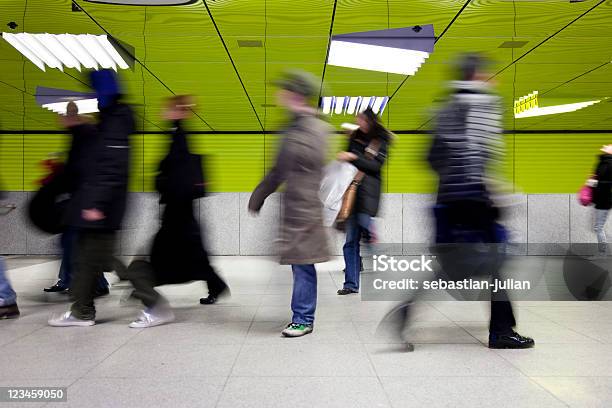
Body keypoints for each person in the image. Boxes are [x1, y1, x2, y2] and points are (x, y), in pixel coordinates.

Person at [380, 53, 534, 350]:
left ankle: (405, 313)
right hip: (474, 199)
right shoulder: (483, 105)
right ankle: (501, 331)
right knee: (494, 263)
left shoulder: (443, 109)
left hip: (447, 202)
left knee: (455, 267)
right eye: (489, 73)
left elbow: (429, 158)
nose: (494, 79)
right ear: (477, 75)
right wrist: (494, 193)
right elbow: (481, 154)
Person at [120, 95, 229, 328]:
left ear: (179, 111)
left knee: (163, 254)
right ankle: (214, 285)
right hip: (179, 211)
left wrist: (160, 180)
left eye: (168, 108)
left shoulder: (179, 135)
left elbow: (177, 175)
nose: (164, 112)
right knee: (189, 256)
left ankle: (144, 288)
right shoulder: (176, 133)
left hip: (178, 211)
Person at [49, 69, 134, 327]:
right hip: (100, 205)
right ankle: (82, 310)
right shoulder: (110, 121)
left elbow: (111, 167)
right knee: (90, 259)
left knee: (92, 259)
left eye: (97, 92)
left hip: (102, 208)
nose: (95, 98)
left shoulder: (115, 122)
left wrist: (97, 204)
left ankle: (151, 300)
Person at [248, 71, 331, 337]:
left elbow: (287, 166)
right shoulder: (297, 126)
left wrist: (261, 192)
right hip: (297, 207)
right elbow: (281, 168)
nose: (279, 96)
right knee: (301, 263)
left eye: (284, 92)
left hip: (305, 207)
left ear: (297, 95)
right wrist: (261, 193)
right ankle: (302, 315)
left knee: (303, 263)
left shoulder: (311, 127)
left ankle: (303, 318)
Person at [43, 102, 111, 296]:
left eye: (66, 114)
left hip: (86, 201)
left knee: (75, 243)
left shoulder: (86, 134)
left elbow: (83, 170)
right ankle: (75, 281)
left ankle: (93, 284)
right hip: (80, 200)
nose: (61, 118)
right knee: (71, 242)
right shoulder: (80, 135)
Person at [336, 107, 390, 295]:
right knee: (350, 241)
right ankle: (351, 283)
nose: (358, 122)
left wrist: (353, 157)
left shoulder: (380, 140)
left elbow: (375, 166)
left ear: (370, 120)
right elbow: (345, 161)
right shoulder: (353, 137)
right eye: (357, 119)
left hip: (368, 194)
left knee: (364, 229)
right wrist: (345, 156)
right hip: (351, 194)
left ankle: (381, 269)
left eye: (361, 119)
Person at [592, 145, 612, 256]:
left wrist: (596, 183)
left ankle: (602, 253)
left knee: (598, 227)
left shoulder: (607, 163)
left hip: (603, 200)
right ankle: (602, 251)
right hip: (601, 199)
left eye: (607, 147)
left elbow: (600, 180)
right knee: (597, 227)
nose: (603, 147)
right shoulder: (602, 162)